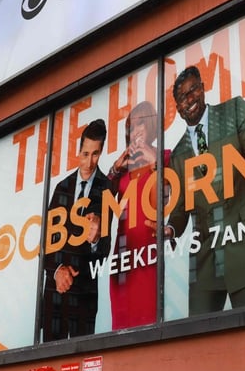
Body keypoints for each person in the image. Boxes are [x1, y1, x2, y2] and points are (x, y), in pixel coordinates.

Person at [165, 65, 245, 315]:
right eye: (182, 97)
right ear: (177, 108)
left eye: (193, 90)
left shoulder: (235, 110)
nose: (190, 99)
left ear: (203, 89)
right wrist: (171, 229)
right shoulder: (177, 155)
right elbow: (180, 205)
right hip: (206, 254)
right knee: (198, 339)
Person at [40, 119, 111, 340]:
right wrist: (57, 270)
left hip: (85, 297)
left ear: (102, 151)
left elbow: (105, 250)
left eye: (96, 154)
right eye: (85, 154)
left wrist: (96, 239)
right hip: (56, 295)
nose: (89, 162)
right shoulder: (62, 187)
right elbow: (45, 244)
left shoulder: (106, 188)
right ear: (78, 151)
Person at [107, 101, 170, 330]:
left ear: (152, 126)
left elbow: (172, 200)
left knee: (148, 325)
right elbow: (98, 205)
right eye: (131, 128)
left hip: (149, 254)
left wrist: (155, 163)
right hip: (122, 257)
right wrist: (115, 169)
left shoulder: (165, 157)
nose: (136, 131)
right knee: (121, 326)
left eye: (141, 124)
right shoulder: (123, 170)